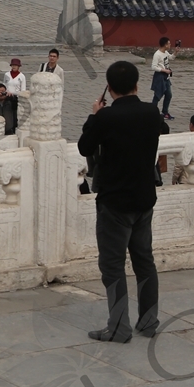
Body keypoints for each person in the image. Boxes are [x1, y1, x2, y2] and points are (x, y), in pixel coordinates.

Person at [77, 59, 166, 342]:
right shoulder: (153, 113)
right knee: (144, 261)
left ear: (110, 88)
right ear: (137, 85)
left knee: (113, 266)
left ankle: (118, 327)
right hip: (144, 199)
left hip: (114, 203)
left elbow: (84, 147)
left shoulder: (106, 118)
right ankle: (149, 321)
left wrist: (95, 116)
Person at [150, 36, 176, 121]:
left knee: (168, 95)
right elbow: (153, 67)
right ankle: (152, 113)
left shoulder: (165, 52)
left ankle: (165, 112)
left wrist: (176, 52)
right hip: (160, 76)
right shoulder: (157, 54)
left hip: (166, 77)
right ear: (165, 45)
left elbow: (171, 58)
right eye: (168, 43)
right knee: (157, 95)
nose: (170, 45)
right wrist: (164, 70)